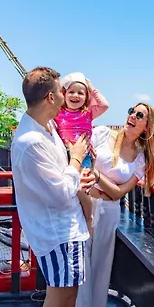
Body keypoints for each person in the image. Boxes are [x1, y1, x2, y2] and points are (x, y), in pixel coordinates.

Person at [63, 103, 154, 307]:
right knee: (80, 269)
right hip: (83, 204)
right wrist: (101, 183)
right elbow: (80, 159)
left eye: (139, 115)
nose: (132, 116)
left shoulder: (140, 158)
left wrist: (97, 176)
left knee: (99, 272)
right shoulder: (102, 134)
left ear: (147, 126)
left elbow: (118, 193)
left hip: (108, 213)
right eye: (131, 111)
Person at [11, 67, 95, 307]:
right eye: (61, 90)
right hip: (57, 233)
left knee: (66, 302)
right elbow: (59, 194)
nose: (65, 94)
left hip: (66, 228)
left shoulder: (47, 129)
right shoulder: (32, 142)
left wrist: (77, 173)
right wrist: (76, 159)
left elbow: (60, 177)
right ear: (50, 97)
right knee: (59, 305)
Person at [54, 71, 109, 234]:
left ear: (87, 97)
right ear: (64, 94)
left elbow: (104, 105)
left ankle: (88, 218)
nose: (75, 96)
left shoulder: (87, 113)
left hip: (84, 156)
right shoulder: (58, 113)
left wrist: (91, 88)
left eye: (81, 93)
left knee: (81, 188)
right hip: (65, 156)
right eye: (71, 92)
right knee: (67, 188)